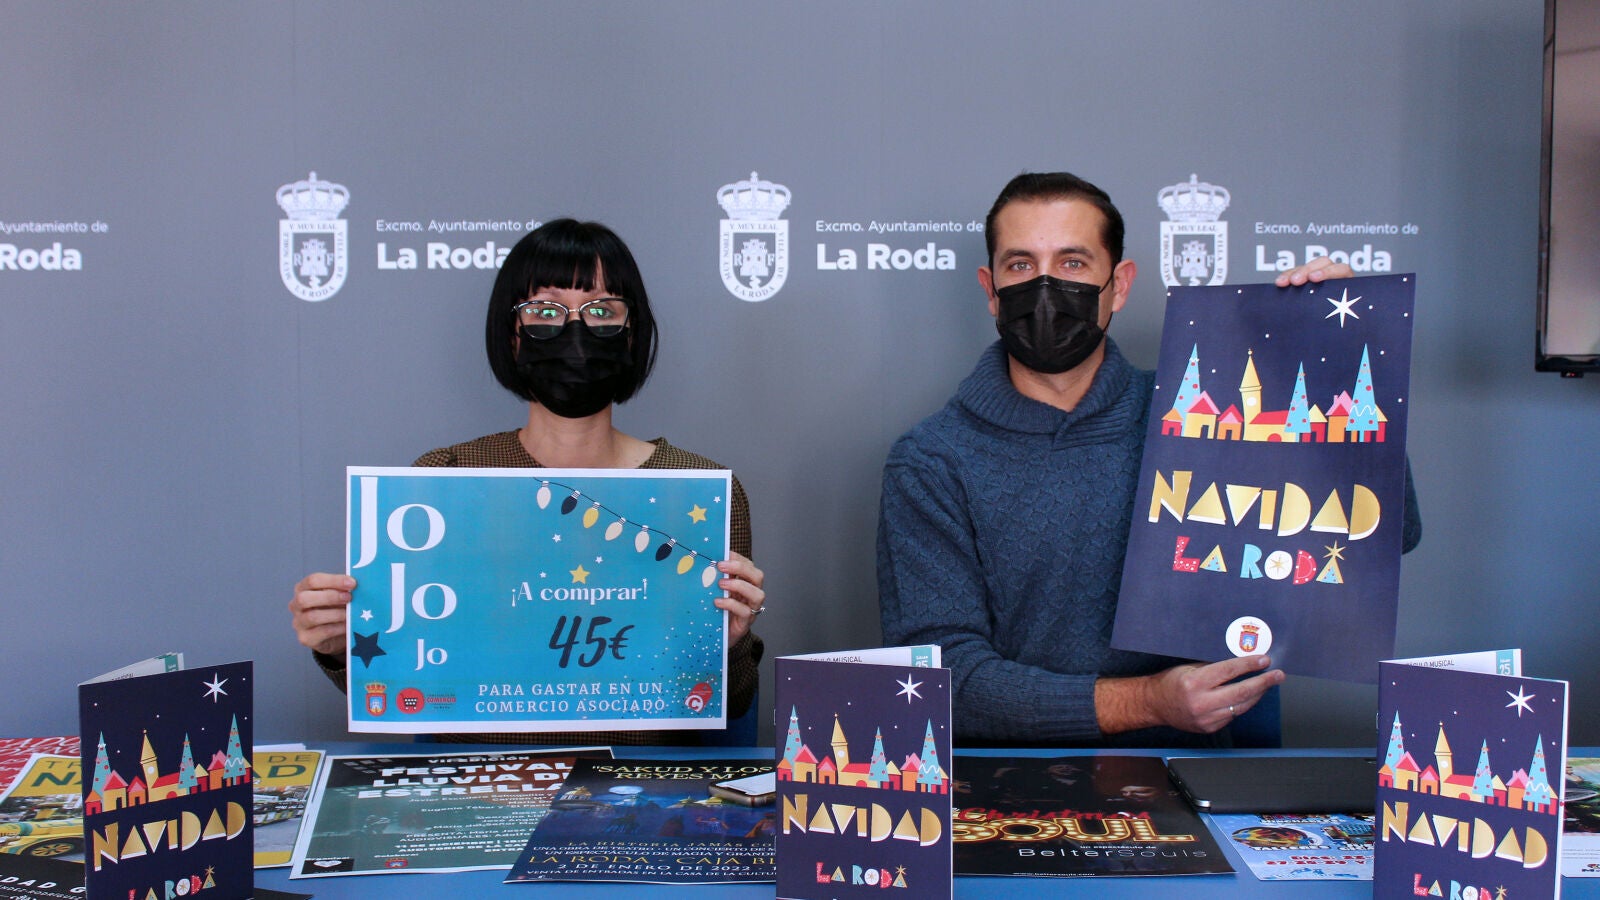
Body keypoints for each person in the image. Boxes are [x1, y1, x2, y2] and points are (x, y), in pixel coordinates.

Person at [877, 172, 1421, 747]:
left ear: (1119, 285)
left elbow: (1388, 535)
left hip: (1198, 774)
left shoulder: (1206, 423)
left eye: (1072, 263)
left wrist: (1339, 355)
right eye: (1020, 265)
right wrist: (1147, 702)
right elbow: (944, 678)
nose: (1045, 287)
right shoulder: (931, 462)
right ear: (991, 289)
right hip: (1009, 780)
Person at [290, 218, 765, 745]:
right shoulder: (446, 477)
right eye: (545, 310)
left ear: (632, 333)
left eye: (602, 310)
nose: (575, 330)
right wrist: (340, 644)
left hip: (637, 787)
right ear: (511, 333)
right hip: (476, 788)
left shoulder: (697, 488)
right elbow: (402, 685)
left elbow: (733, 705)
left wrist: (730, 645)